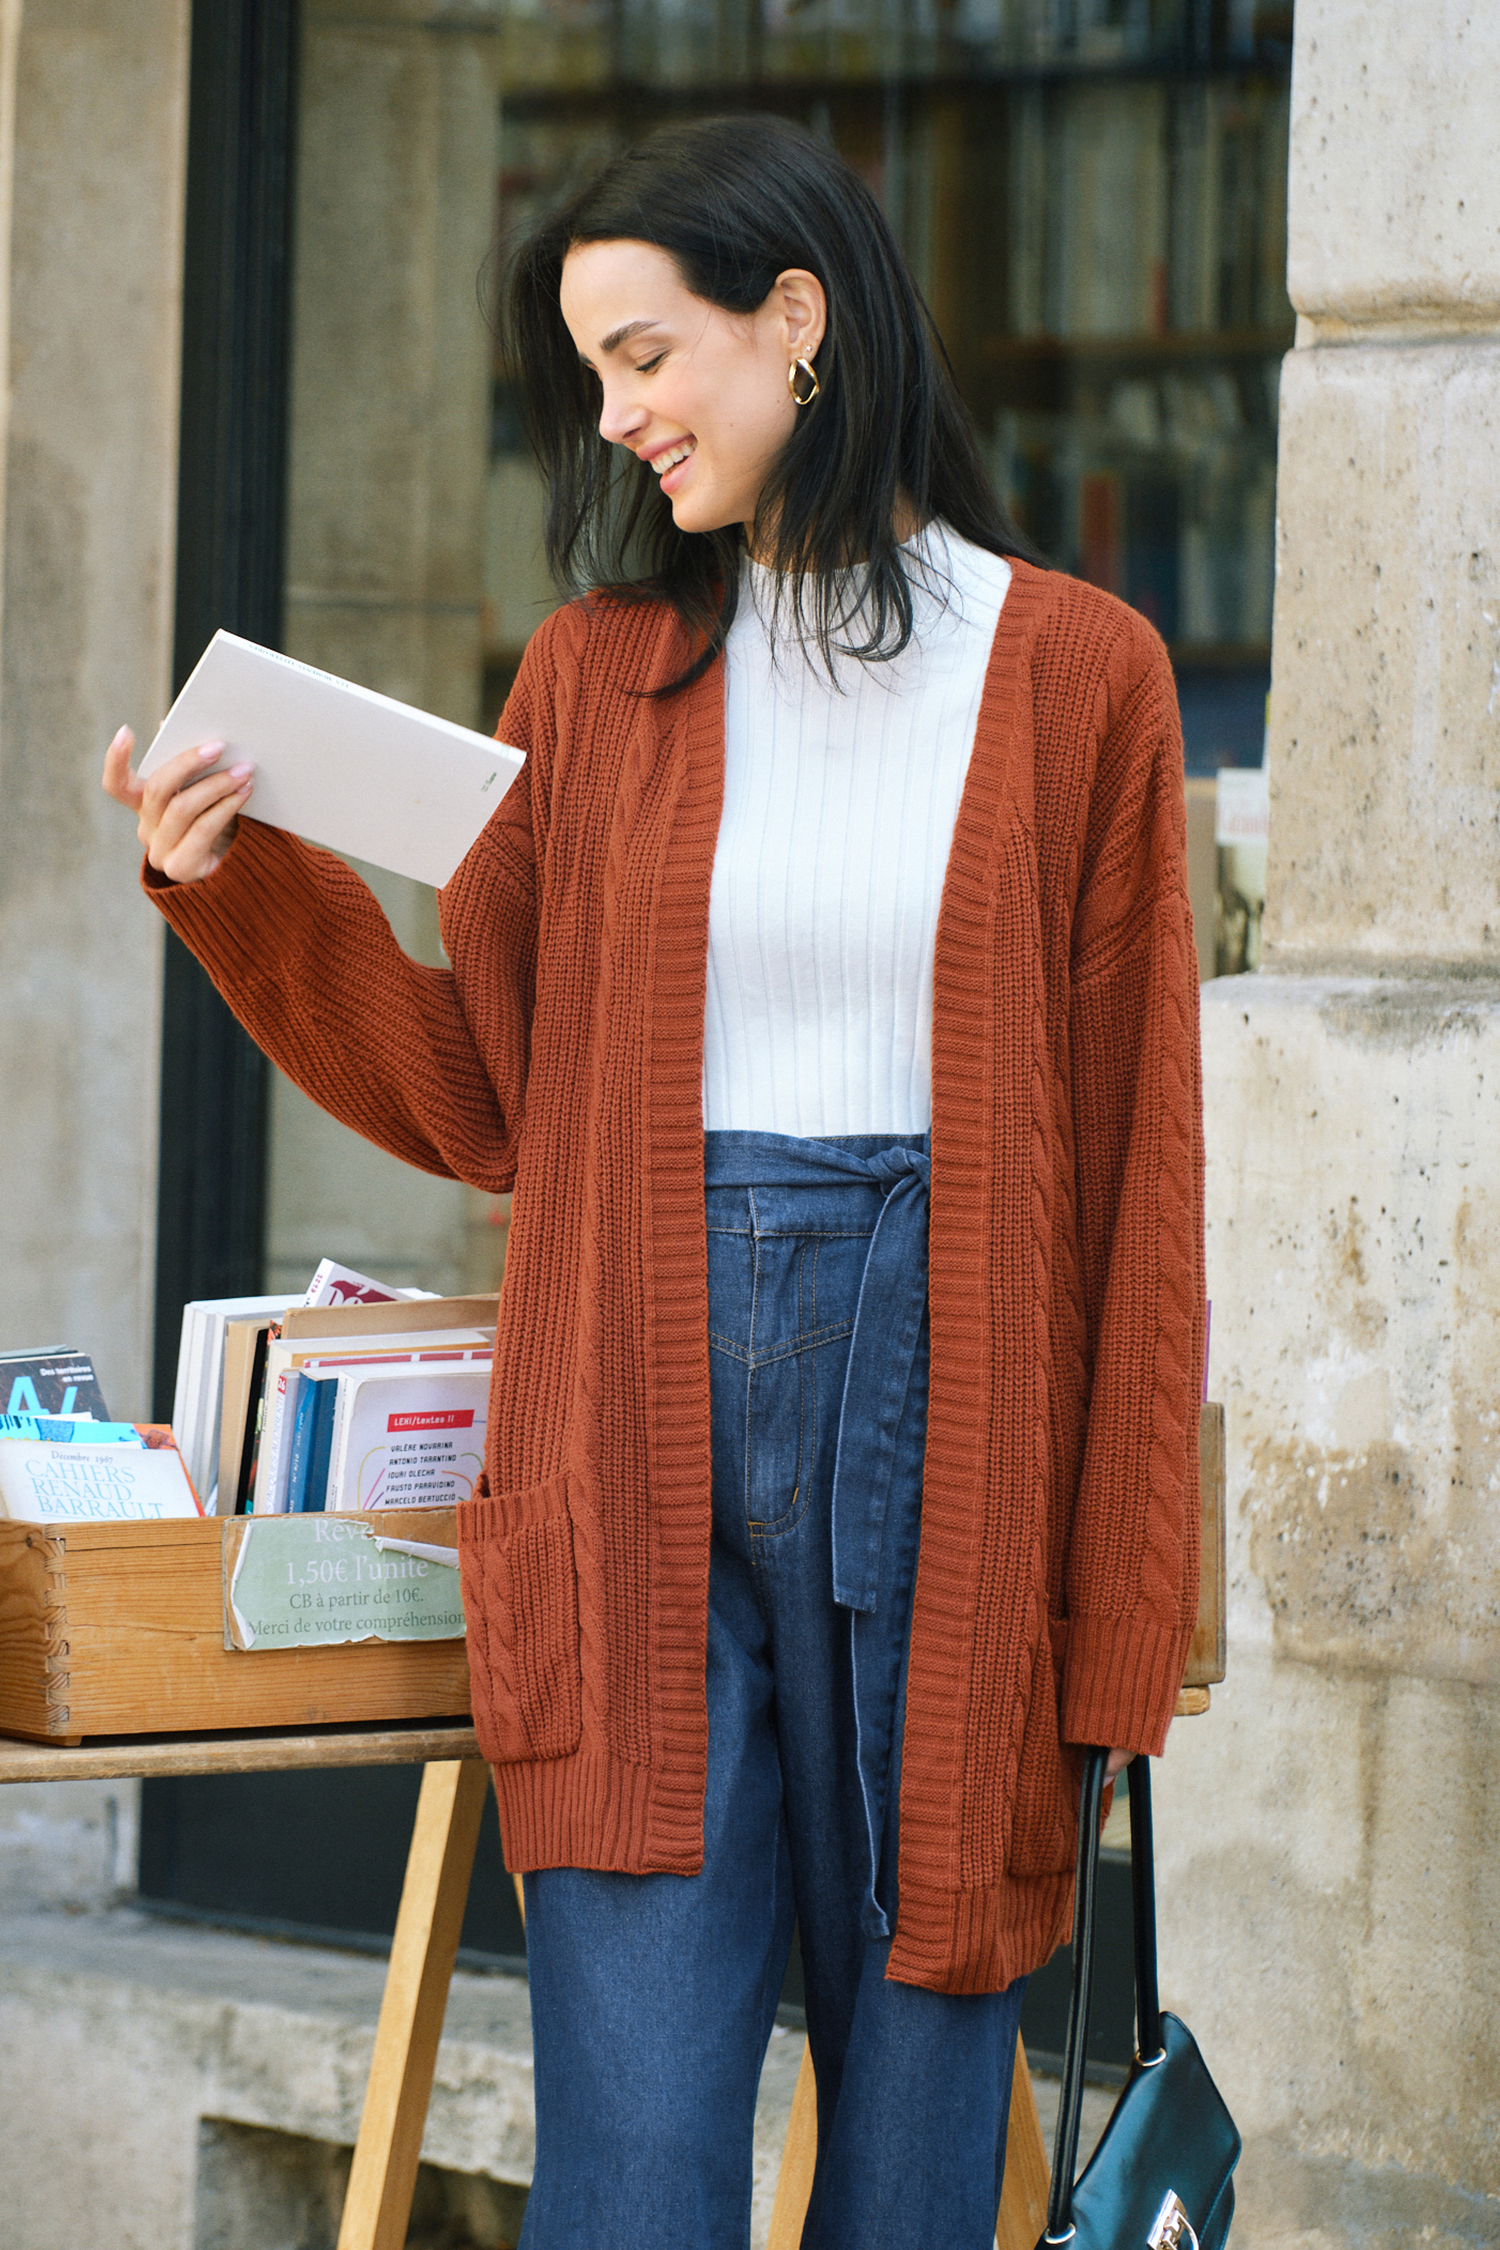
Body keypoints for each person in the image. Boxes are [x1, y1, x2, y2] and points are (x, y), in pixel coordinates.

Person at [104, 114, 1204, 2250]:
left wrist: (1115, 1614)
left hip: (945, 1434)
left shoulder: (1081, 680)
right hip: (629, 1428)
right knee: (632, 2152)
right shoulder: (594, 687)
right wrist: (243, 894)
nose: (614, 420)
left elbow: (1141, 1184)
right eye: (591, 376)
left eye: (643, 356)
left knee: (912, 2149)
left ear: (796, 324)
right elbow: (483, 1094)